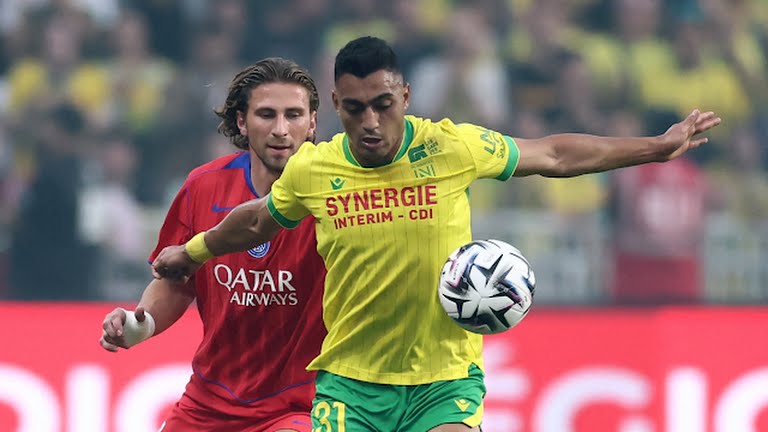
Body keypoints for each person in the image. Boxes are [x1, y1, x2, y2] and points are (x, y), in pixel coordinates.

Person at [151, 37, 722, 432]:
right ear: (337, 106)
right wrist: (193, 251)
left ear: (404, 97)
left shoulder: (450, 146)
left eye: (382, 105)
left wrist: (655, 147)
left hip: (444, 380)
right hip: (350, 383)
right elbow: (255, 220)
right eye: (355, 109)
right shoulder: (314, 169)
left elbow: (553, 154)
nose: (370, 122)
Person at [99, 57, 327, 432]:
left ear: (312, 122)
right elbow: (176, 280)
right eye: (266, 114)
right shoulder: (203, 187)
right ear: (242, 122)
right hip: (209, 402)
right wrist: (143, 322)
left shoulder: (334, 197)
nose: (281, 129)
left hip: (301, 403)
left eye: (294, 115)